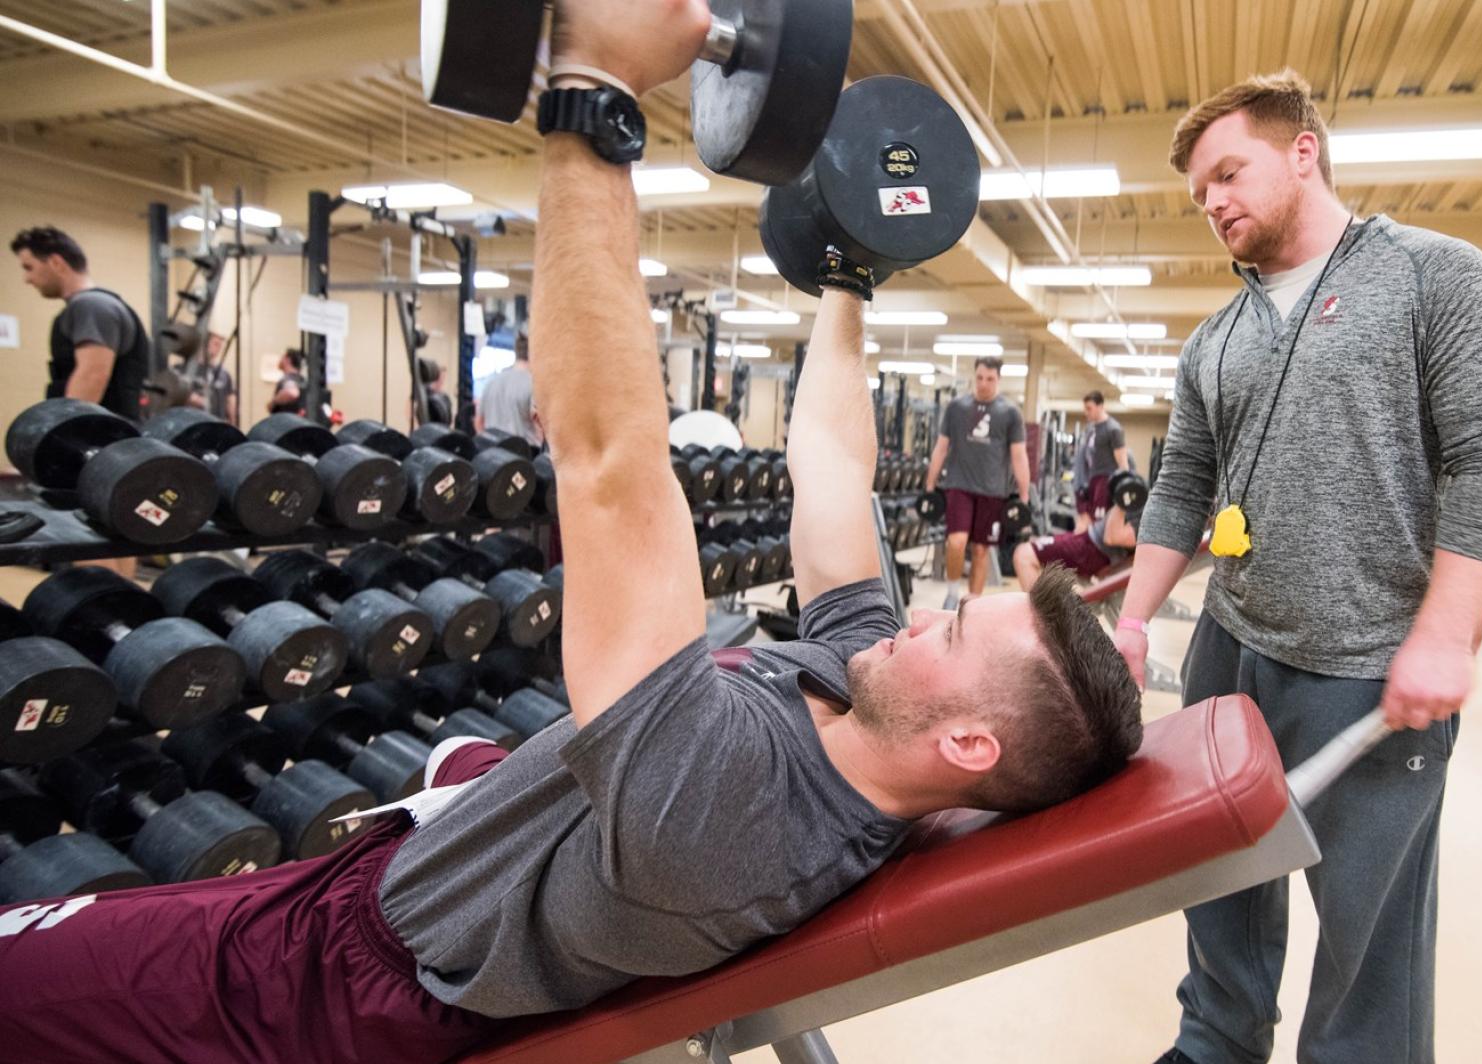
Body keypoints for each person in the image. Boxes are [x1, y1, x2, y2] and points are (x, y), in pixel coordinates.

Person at [0, 6, 1144, 1061]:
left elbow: (607, 463)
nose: (922, 618)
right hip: (394, 869)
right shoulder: (861, 687)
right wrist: (848, 271)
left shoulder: (732, 814)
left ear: (968, 747)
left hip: (322, 983)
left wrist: (593, 93)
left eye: (953, 632)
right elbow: (834, 467)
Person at [1113, 71, 1482, 1064]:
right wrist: (1132, 620)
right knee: (1217, 875)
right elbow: (1181, 487)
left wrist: (1444, 632)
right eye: (1200, 192)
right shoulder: (1216, 337)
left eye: (1229, 172)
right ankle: (1217, 1039)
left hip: (1368, 660)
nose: (1213, 201)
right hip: (1231, 644)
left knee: (1366, 922)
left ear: (1302, 150)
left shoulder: (1437, 277)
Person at [923, 356, 1030, 610]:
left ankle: (972, 605)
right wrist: (930, 485)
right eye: (980, 377)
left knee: (981, 550)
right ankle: (952, 594)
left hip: (993, 491)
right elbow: (941, 447)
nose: (983, 383)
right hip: (959, 485)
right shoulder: (956, 407)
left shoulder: (1011, 413)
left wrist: (1024, 496)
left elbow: (1019, 456)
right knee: (956, 542)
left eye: (990, 379)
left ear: (999, 379)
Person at [11, 226, 151, 420]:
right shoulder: (90, 306)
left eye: (29, 267)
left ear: (56, 262)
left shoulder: (90, 305)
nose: (27, 279)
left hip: (104, 435)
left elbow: (92, 375)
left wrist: (63, 428)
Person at [1014, 501, 1137, 589]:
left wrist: (1122, 501)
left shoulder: (1145, 516)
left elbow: (1111, 537)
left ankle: (1036, 617)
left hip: (1090, 550)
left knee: (1024, 554)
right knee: (1028, 547)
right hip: (1085, 541)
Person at [1071, 391, 1128, 533]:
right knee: (1087, 520)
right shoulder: (1090, 428)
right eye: (1085, 408)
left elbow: (1123, 464)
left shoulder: (1113, 429)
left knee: (1099, 524)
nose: (1086, 412)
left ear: (1100, 406)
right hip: (1092, 480)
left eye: (1089, 408)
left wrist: (1124, 487)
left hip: (1106, 481)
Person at [475, 333, 539, 445]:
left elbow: (479, 422)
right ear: (534, 354)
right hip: (524, 452)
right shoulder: (533, 384)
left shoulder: (491, 382)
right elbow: (538, 426)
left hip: (492, 452)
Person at [182, 331, 238, 423]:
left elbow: (230, 401)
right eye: (216, 344)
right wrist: (197, 400)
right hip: (193, 423)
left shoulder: (224, 374)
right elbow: (179, 396)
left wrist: (233, 423)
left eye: (220, 345)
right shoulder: (187, 370)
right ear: (204, 344)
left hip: (217, 424)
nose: (219, 348)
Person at [269, 348, 307, 415]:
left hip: (285, 420)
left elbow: (292, 393)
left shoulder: (288, 379)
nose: (280, 360)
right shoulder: (302, 380)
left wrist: (274, 401)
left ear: (287, 359)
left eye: (282, 357)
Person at [418, 357, 454, 426]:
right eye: (440, 378)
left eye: (443, 378)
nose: (441, 381)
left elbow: (450, 420)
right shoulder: (424, 394)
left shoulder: (445, 398)